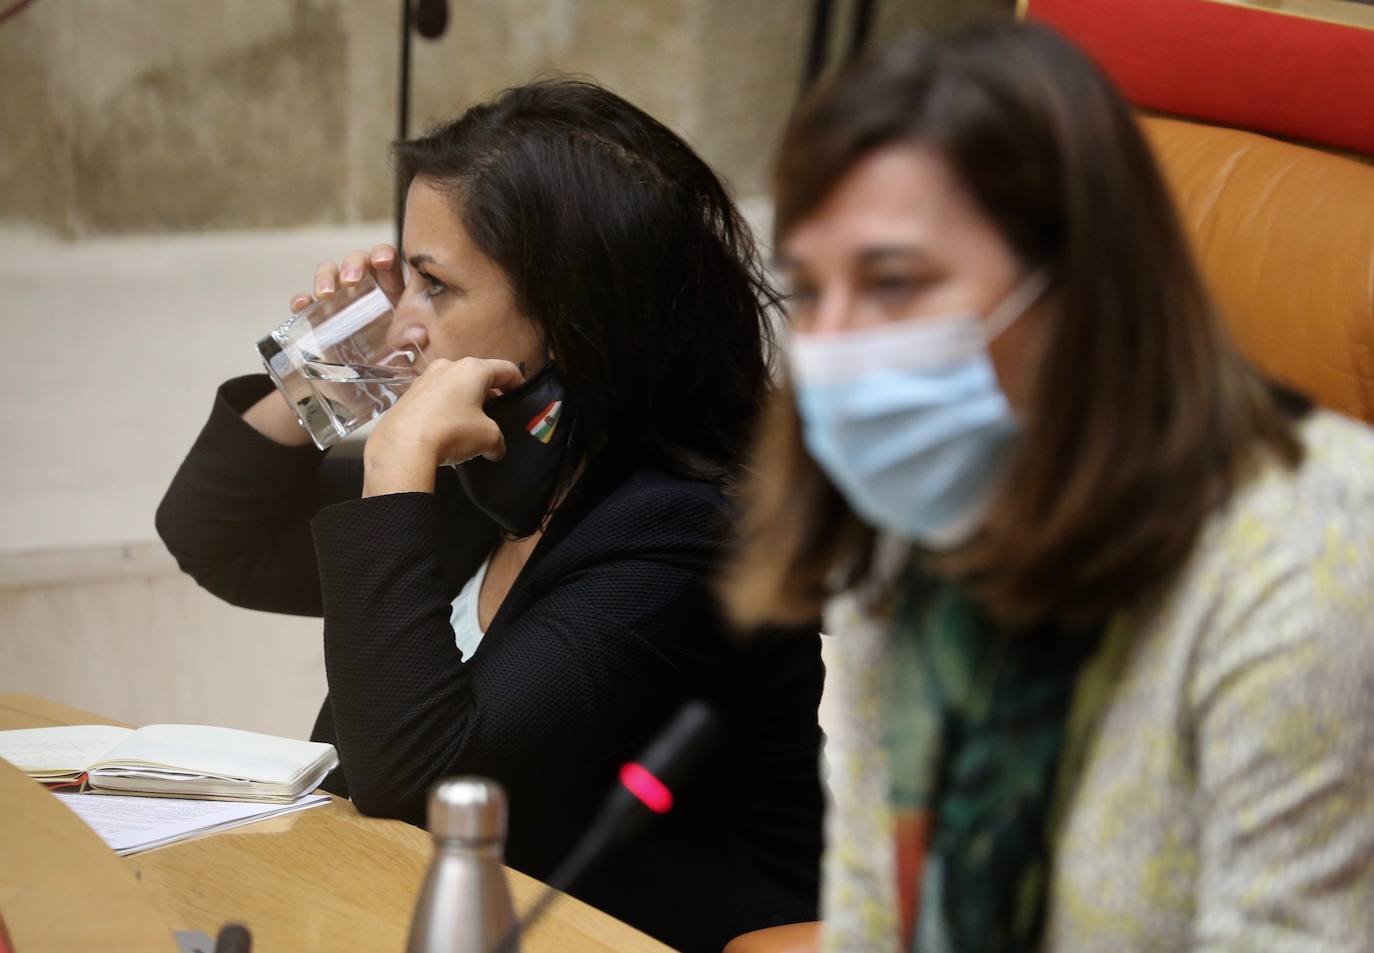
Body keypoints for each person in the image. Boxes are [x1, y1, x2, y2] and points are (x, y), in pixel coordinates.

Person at [725, 22, 1374, 953]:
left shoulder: (1313, 558)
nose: (835, 349)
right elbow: (878, 927)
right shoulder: (918, 523)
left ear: (1078, 287)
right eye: (813, 291)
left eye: (895, 282)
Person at [157, 78, 823, 953]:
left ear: (573, 322)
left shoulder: (686, 536)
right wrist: (320, 368)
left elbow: (421, 781)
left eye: (433, 286)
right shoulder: (508, 481)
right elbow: (216, 533)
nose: (402, 325)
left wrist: (396, 464)